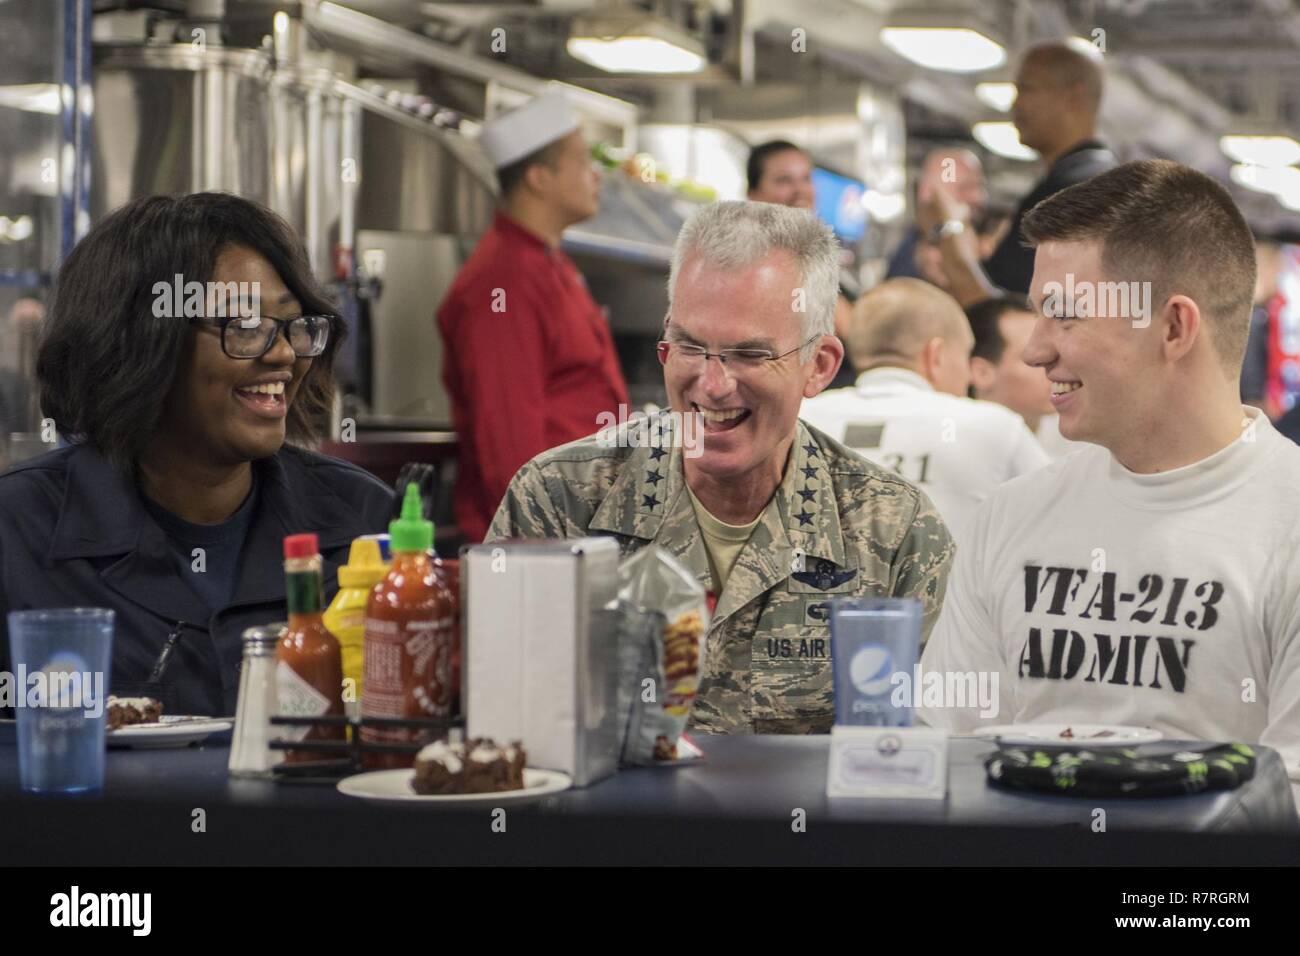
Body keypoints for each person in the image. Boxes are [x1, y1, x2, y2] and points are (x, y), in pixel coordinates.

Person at [489, 201, 954, 734]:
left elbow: (922, 751)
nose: (713, 385)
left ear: (818, 366)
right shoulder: (560, 501)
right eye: (690, 346)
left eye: (749, 355)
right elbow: (503, 726)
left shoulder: (894, 531)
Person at [917, 160, 1300, 805]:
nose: (1036, 350)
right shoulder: (1012, 516)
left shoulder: (1286, 525)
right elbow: (944, 753)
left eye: (1064, 315)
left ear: (1174, 328)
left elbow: (1284, 804)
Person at [0, 193, 394, 716]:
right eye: (245, 327)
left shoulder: (361, 521)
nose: (281, 354)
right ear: (138, 342)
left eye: (294, 326)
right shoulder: (19, 534)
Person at [438, 89, 628, 543]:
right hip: (540, 546)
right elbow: (507, 439)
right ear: (539, 178)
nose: (595, 175)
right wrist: (542, 547)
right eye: (582, 161)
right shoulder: (502, 280)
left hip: (583, 528)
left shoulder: (550, 263)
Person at [801, 279, 1047, 547]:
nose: (967, 375)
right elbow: (1064, 513)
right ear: (936, 355)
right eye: (964, 356)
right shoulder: (994, 427)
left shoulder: (800, 419)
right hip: (944, 588)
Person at [919, 39, 1116, 305]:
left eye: (1027, 88)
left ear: (1073, 97)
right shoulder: (1084, 183)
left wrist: (947, 228)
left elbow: (1001, 318)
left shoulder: (1077, 193)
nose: (1015, 104)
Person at [747, 139, 858, 388]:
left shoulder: (815, 254)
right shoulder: (758, 263)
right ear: (752, 194)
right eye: (783, 181)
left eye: (806, 179)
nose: (800, 191)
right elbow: (854, 334)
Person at [965, 294, 1074, 457]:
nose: (1059, 365)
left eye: (1058, 351)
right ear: (981, 373)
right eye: (1034, 355)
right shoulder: (956, 446)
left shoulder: (1083, 436)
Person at [886, 147, 987, 285]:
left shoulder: (988, 243)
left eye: (979, 186)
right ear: (928, 194)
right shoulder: (910, 253)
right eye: (965, 187)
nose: (978, 197)